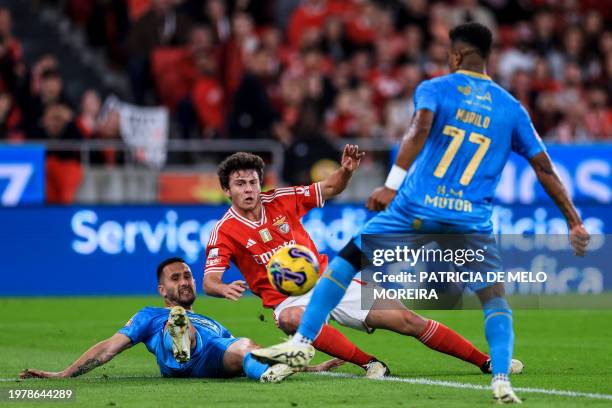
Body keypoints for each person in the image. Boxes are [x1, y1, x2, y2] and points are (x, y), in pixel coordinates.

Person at [252, 23, 590, 404]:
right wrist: (574, 221)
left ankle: (302, 342)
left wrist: (392, 184)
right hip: (469, 220)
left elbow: (419, 130)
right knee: (494, 299)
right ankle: (500, 378)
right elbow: (544, 168)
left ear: (457, 55)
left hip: (416, 209)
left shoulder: (435, 89)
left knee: (347, 259)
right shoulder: (512, 109)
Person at [204, 149, 520, 379]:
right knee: (291, 319)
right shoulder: (224, 230)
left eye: (253, 182)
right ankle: (370, 363)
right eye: (240, 184)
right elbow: (210, 280)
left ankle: (487, 362)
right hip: (285, 298)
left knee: (406, 320)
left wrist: (347, 171)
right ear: (227, 190)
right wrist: (223, 287)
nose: (248, 189)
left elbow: (329, 187)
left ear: (261, 183)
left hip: (330, 281)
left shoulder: (281, 199)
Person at [19, 257, 335, 382]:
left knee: (243, 347)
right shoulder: (149, 315)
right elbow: (109, 348)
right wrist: (64, 375)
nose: (184, 281)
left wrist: (309, 366)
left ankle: (266, 374)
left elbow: (243, 347)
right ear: (162, 289)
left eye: (187, 276)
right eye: (175, 278)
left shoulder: (214, 322)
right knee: (179, 319)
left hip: (212, 357)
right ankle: (179, 340)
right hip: (177, 356)